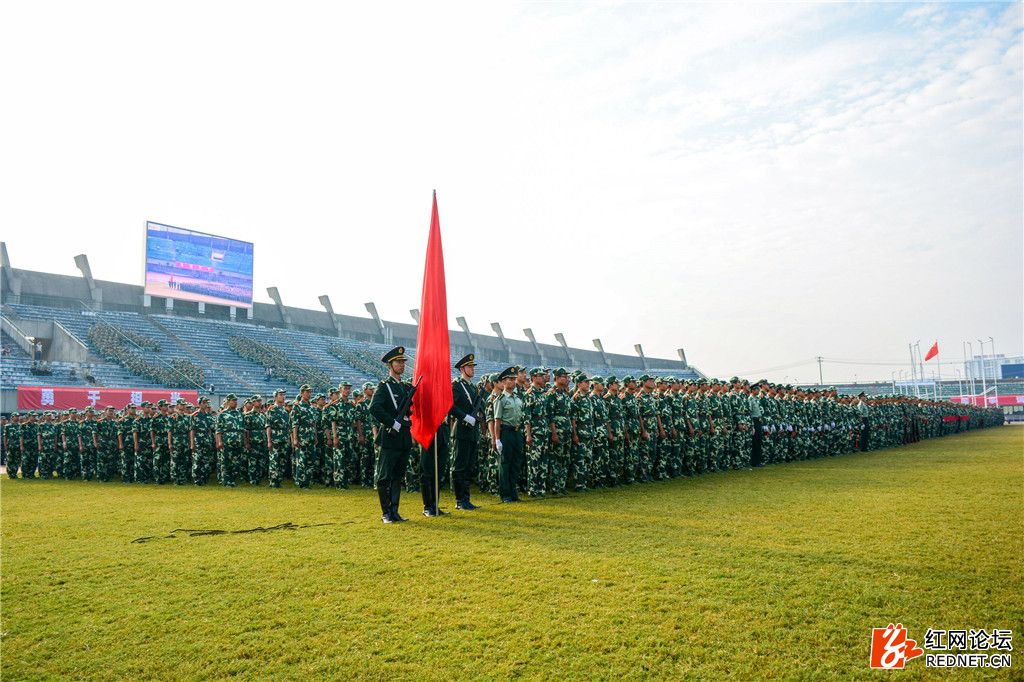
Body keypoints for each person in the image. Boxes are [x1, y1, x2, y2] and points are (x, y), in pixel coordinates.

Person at [368, 346, 414, 523]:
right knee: (385, 477)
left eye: (403, 362)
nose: (401, 365)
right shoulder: (384, 386)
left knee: (397, 476)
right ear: (390, 365)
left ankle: (395, 511)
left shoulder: (403, 387)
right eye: (398, 362)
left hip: (402, 437)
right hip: (389, 437)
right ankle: (386, 513)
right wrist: (391, 422)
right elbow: (374, 408)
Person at [449, 353, 481, 510]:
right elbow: (450, 406)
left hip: (472, 431)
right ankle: (460, 500)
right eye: (469, 367)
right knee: (460, 466)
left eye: (473, 367)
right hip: (461, 429)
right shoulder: (456, 385)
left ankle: (466, 499)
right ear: (462, 369)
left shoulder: (472, 387)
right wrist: (464, 417)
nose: (472, 369)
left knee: (469, 466)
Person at [493, 366, 524, 503]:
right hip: (506, 432)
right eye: (510, 379)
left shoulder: (517, 398)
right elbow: (497, 421)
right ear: (503, 382)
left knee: (515, 464)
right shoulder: (501, 399)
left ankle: (513, 492)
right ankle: (505, 494)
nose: (513, 381)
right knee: (505, 465)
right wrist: (498, 439)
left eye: (513, 379)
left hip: (517, 432)